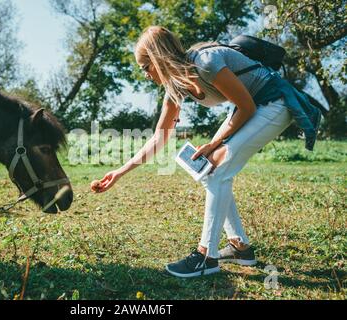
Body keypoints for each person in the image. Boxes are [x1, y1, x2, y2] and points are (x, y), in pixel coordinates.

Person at [92, 26, 320, 278]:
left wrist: (214, 143)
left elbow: (246, 107)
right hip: (250, 106)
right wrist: (120, 172)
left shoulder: (205, 63)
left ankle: (206, 257)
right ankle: (240, 247)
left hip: (274, 102)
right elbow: (160, 135)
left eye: (145, 66)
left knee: (219, 168)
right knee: (209, 170)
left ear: (158, 58)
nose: (144, 74)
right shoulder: (175, 85)